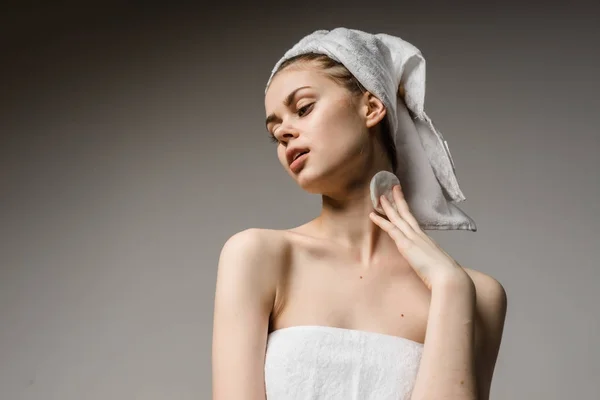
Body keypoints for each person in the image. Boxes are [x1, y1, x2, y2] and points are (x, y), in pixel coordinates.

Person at [212, 29, 507, 400]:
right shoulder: (258, 256)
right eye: (276, 132)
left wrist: (451, 287)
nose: (285, 131)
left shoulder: (479, 295)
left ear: (371, 107)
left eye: (303, 108)